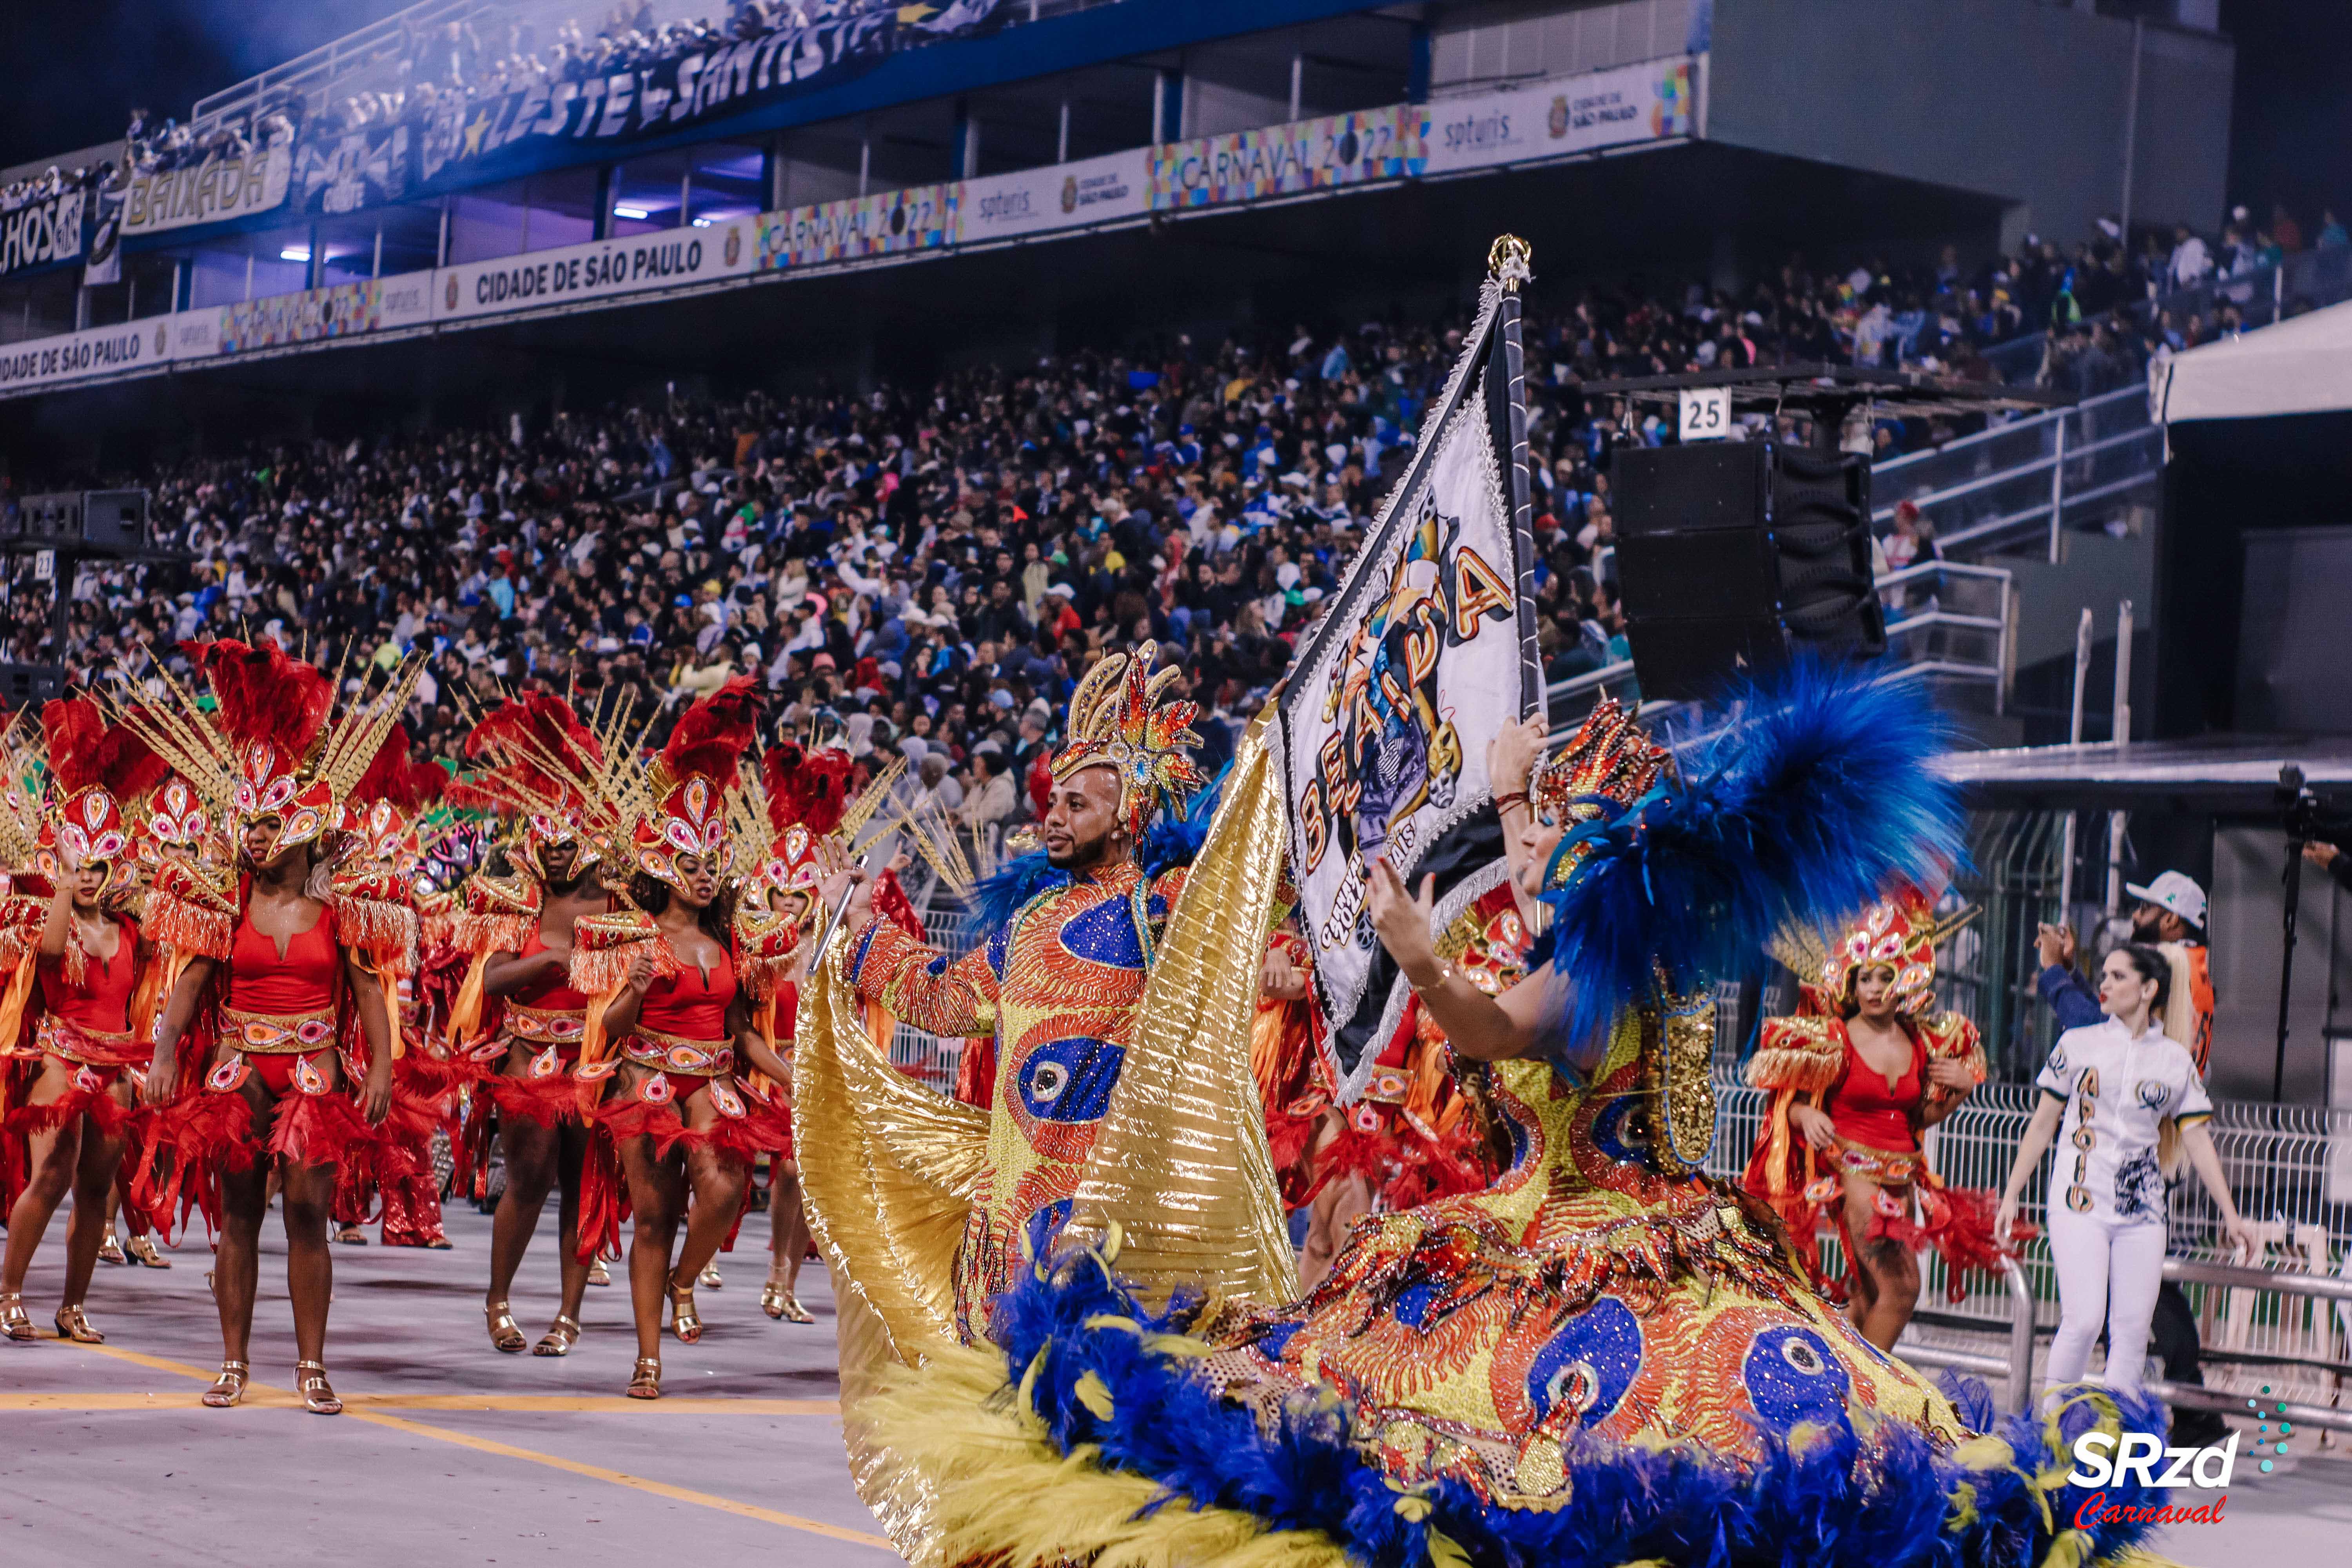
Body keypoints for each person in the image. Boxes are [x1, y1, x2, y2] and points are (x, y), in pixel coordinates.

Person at [828, 673, 2180, 1568]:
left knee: (1463, 1457)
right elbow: (1546, 879)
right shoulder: (1642, 940)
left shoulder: (1586, 973)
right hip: (1657, 1226)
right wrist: (1520, 783)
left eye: (1562, 846)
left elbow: (1495, 1028)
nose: (1537, 862)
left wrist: (1420, 955)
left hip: (1578, 1240)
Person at [815, 641, 1215, 1342]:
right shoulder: (1030, 920)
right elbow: (945, 1003)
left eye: (1077, 804)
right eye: (1054, 802)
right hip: (1004, 1223)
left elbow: (1246, 909)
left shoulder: (1160, 909)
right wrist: (856, 922)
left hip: (1101, 1219)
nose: (1054, 817)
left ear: (1128, 818)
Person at [135, 640, 413, 1414]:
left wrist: (383, 1070)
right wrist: (164, 1055)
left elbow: (369, 991)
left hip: (315, 1073)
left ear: (302, 822)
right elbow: (191, 984)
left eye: (268, 823)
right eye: (247, 823)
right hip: (239, 1069)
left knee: (305, 1213)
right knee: (239, 1212)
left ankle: (313, 1364)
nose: (253, 836)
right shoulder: (226, 903)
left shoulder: (342, 907)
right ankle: (232, 1362)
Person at [566, 679, 796, 1399]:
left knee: (727, 1191)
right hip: (647, 1085)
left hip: (716, 1081)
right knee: (656, 1215)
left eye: (710, 864)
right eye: (690, 865)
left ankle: (683, 1282)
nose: (703, 876)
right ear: (665, 866)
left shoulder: (730, 941)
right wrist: (633, 987)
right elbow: (608, 1030)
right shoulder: (633, 935)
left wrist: (792, 1076)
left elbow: (741, 1035)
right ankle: (647, 1359)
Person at [1742, 895, 2014, 1351]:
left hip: (1902, 1182)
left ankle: (1828, 1382)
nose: (1872, 988)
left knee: (1869, 1297)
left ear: (1903, 979)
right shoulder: (1834, 1039)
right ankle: (1872, 1400)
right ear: (1850, 981)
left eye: (1883, 977)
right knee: (1903, 1287)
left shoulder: (1923, 1042)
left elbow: (1919, 1118)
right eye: (1863, 977)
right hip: (1858, 1180)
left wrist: (1963, 1090)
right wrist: (1805, 1113)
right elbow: (1782, 1103)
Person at [1996, 944, 2256, 1396]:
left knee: (2133, 1332)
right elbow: (2042, 1126)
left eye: (2118, 976)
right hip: (2078, 1202)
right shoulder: (2077, 1044)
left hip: (2143, 1214)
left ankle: (2115, 1443)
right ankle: (2050, 1434)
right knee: (2083, 1320)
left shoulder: (2175, 1061)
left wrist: (2232, 1216)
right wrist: (2012, 1193)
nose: (2105, 984)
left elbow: (2197, 1141)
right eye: (2105, 975)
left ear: (2148, 988)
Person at [445, 693, 615, 1357]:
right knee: (531, 1178)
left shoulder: (615, 899)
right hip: (530, 1055)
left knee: (583, 1183)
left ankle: (569, 1316)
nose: (552, 852)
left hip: (594, 1059)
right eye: (544, 840)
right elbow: (490, 981)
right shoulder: (515, 895)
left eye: (564, 841)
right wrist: (551, 958)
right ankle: (499, 1299)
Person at [0, 697, 168, 1345]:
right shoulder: (59, 923)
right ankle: (11, 1294)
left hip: (117, 1066)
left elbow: (161, 924)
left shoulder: (130, 929)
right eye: (84, 865)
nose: (93, 877)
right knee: (49, 1175)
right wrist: (66, 877)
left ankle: (72, 1307)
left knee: (96, 1193)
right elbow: (45, 953)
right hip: (62, 1060)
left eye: (102, 866)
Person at [2033, 866, 2219, 1436]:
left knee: (2130, 1301)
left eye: (2143, 910)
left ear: (2167, 918)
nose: (2133, 917)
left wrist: (2056, 978)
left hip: (2136, 1135)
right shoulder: (2194, 966)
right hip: (2149, 1132)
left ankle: (2182, 1405)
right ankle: (2178, 1406)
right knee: (2132, 1297)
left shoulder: (2178, 966)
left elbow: (2097, 1033)